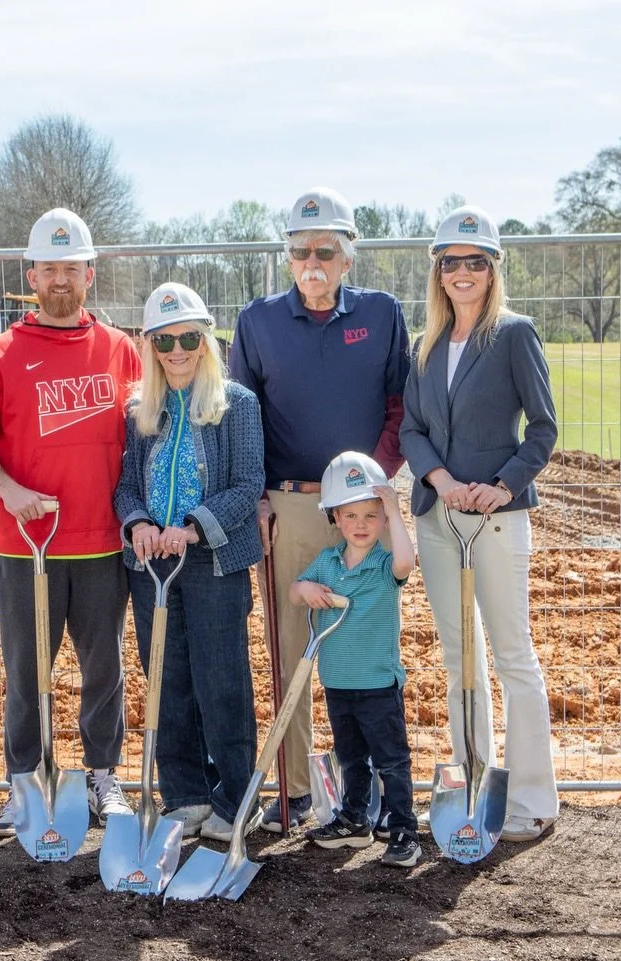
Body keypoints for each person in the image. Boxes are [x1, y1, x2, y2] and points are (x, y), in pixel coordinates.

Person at [229, 186, 411, 833]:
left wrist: (374, 486)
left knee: (366, 647)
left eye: (325, 251)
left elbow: (399, 410)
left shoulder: (384, 315)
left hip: (364, 513)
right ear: (287, 257)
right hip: (291, 507)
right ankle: (297, 789)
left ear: (347, 257)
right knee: (292, 648)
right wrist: (255, 496)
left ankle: (380, 791)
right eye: (301, 250)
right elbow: (240, 424)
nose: (313, 262)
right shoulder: (257, 323)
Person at [0, 208, 142, 837]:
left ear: (89, 273)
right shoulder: (1, 354)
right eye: (49, 269)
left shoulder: (121, 351)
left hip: (99, 542)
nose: (60, 279)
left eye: (72, 268)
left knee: (103, 666)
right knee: (26, 669)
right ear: (30, 276)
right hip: (25, 543)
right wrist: (10, 492)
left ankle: (102, 775)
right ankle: (25, 782)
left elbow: (144, 440)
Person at [399, 205, 560, 842]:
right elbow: (412, 428)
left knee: (513, 655)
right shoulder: (426, 345)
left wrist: (498, 488)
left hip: (495, 521)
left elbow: (543, 431)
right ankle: (474, 781)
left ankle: (531, 799)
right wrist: (440, 482)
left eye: (474, 263)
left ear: (492, 271)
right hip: (440, 518)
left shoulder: (516, 335)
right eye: (450, 263)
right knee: (460, 657)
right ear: (437, 273)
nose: (462, 273)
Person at [114, 282, 265, 842]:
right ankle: (185, 794)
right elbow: (126, 486)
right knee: (167, 678)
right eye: (164, 340)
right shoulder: (139, 411)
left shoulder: (236, 404)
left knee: (221, 679)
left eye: (188, 338)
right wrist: (140, 525)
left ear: (205, 341)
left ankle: (235, 796)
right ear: (150, 345)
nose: (177, 351)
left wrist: (194, 526)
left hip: (214, 561)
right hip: (151, 562)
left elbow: (248, 483)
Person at [290, 451, 421, 868]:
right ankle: (354, 818)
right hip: (338, 683)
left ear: (382, 520)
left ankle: (403, 828)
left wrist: (397, 513)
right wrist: (304, 590)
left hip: (379, 686)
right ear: (335, 519)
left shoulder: (384, 566)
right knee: (350, 757)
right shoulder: (327, 565)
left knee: (391, 762)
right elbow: (297, 590)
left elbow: (407, 562)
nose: (361, 525)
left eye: (371, 515)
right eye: (351, 516)